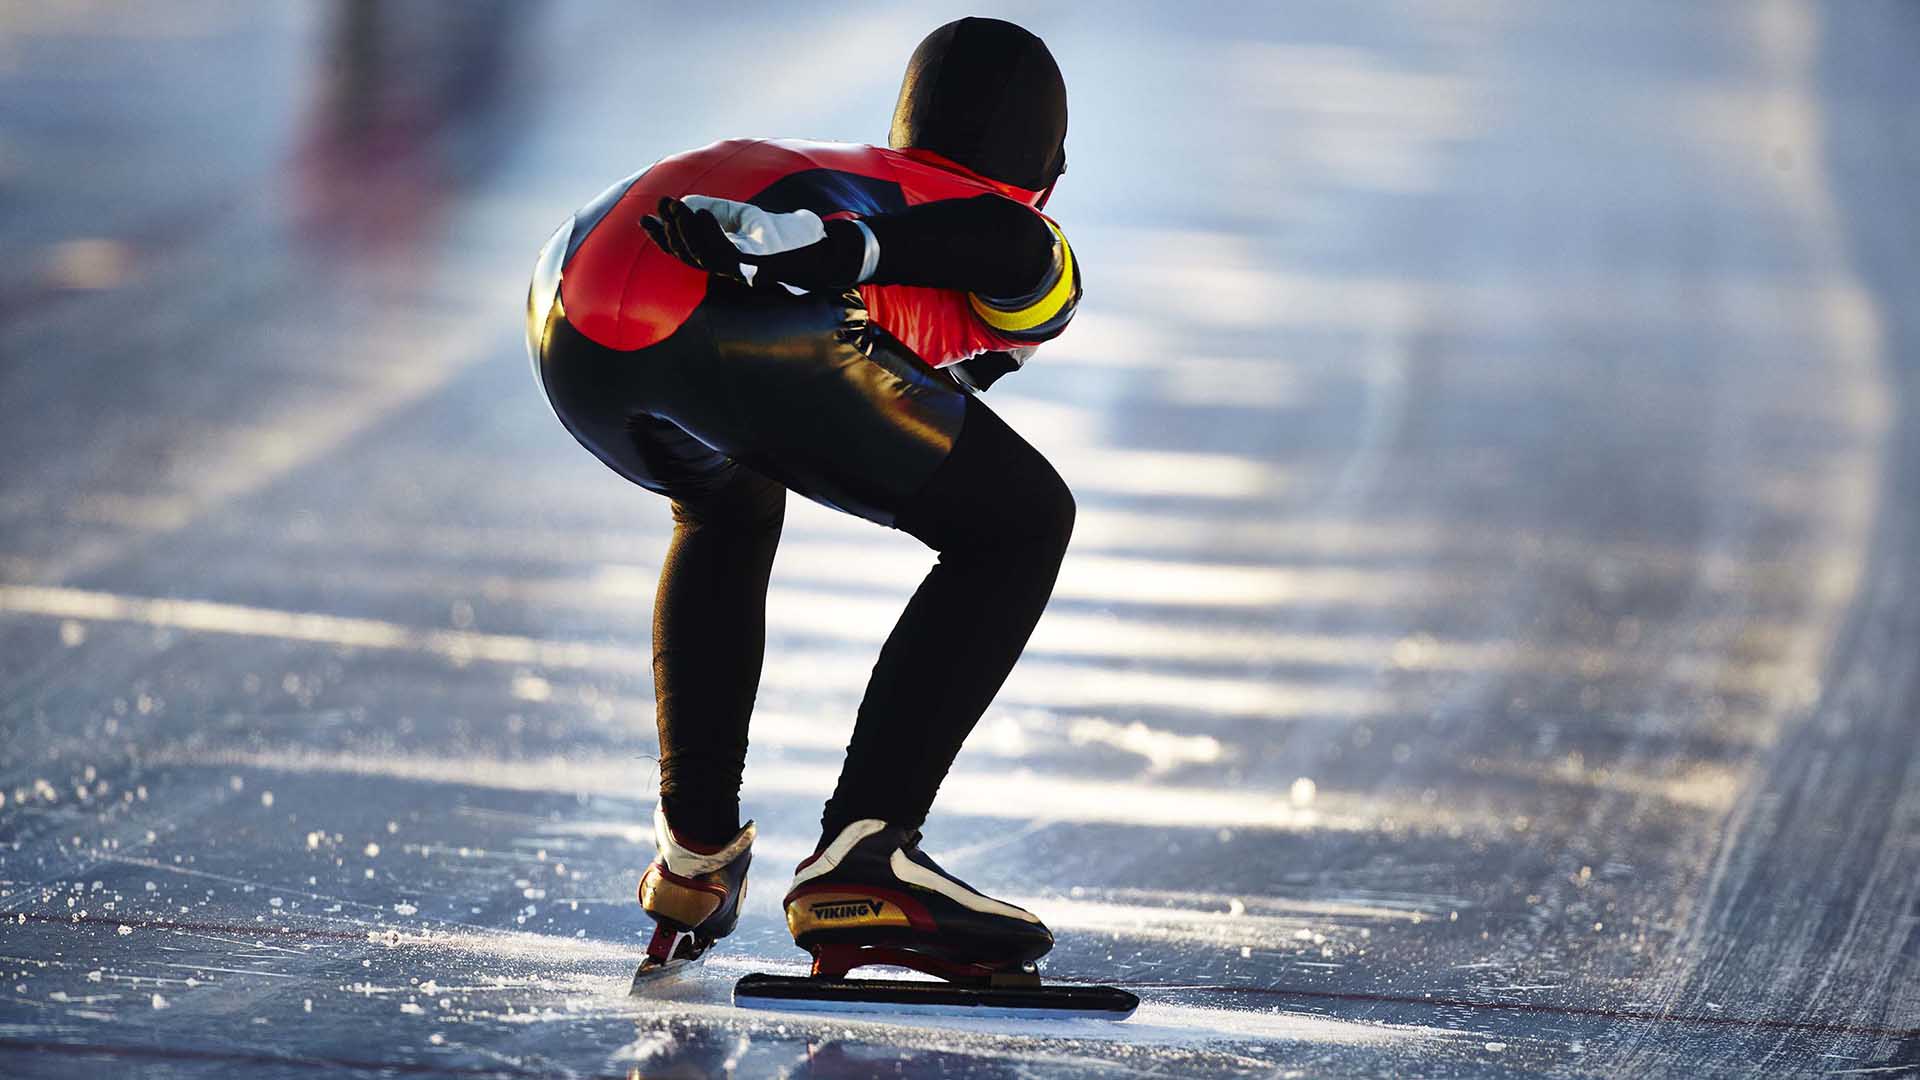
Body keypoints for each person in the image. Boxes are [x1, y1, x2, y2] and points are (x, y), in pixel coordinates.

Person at [525, 17, 1079, 981]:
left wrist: (834, 239)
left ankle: (694, 852)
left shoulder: (864, 166)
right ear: (1050, 170)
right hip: (752, 312)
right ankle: (867, 851)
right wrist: (847, 253)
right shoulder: (996, 216)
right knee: (1022, 522)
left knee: (727, 506)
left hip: (571, 306)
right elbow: (1014, 247)